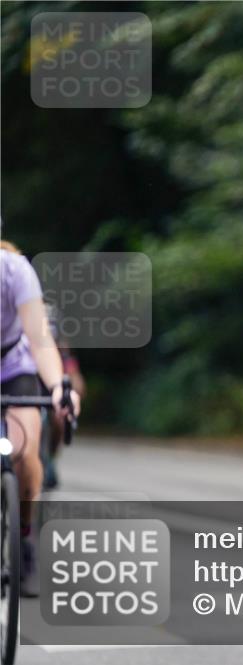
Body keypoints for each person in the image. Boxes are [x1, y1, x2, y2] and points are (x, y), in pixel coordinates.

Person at [1, 240, 81, 597]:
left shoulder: (15, 270)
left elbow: (40, 338)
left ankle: (23, 536)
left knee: (24, 451)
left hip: (13, 368)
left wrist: (59, 387)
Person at [40, 301, 87, 490]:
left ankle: (51, 457)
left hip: (50, 391)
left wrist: (74, 392)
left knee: (59, 420)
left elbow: (74, 375)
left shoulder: (62, 349)